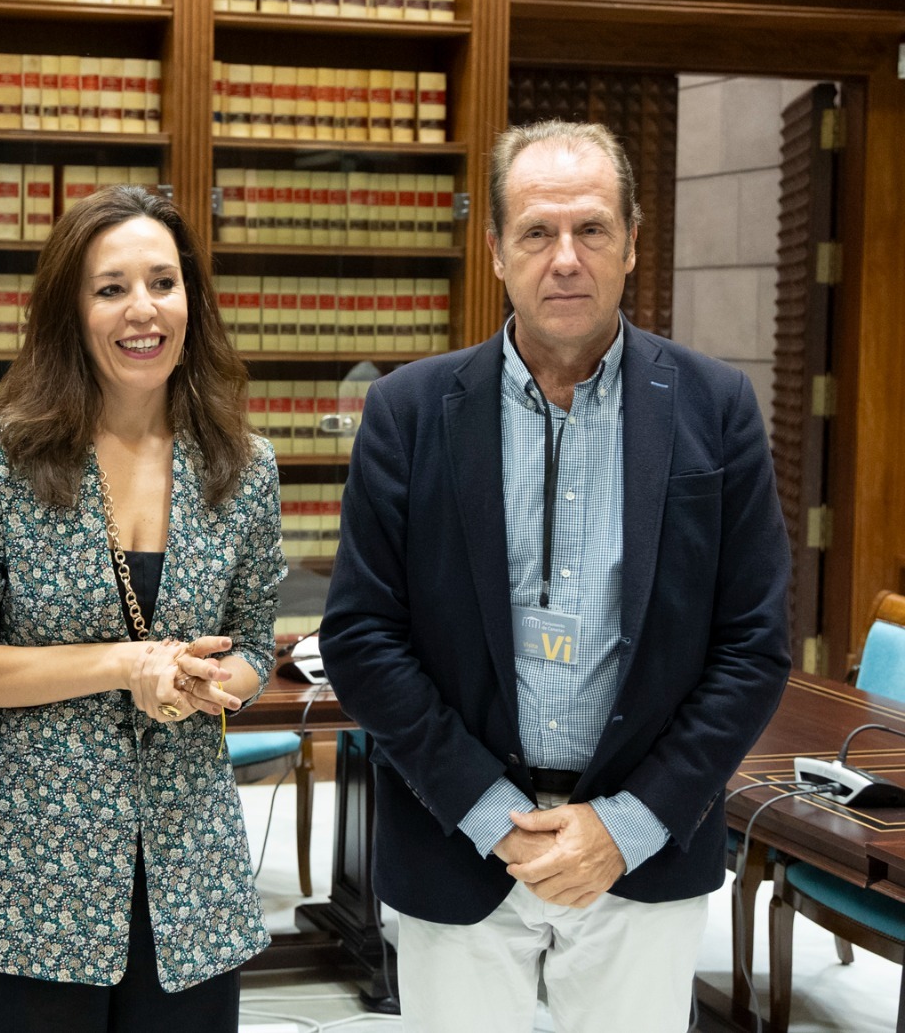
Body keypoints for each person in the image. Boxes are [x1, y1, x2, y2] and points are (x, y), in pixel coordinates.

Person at [320, 120, 790, 1031]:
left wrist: (627, 825)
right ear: (495, 250)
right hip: (458, 839)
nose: (564, 258)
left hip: (644, 849)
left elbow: (752, 646)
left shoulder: (716, 409)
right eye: (537, 232)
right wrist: (492, 814)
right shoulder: (408, 413)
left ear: (632, 244)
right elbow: (362, 638)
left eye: (592, 230)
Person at [0, 184, 285, 1033]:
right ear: (71, 311)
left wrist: (212, 678)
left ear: (191, 299)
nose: (141, 310)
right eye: (110, 288)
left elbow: (257, 646)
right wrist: (128, 665)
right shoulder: (1, 458)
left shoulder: (243, 465)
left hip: (190, 876)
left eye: (163, 282)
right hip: (31, 880)